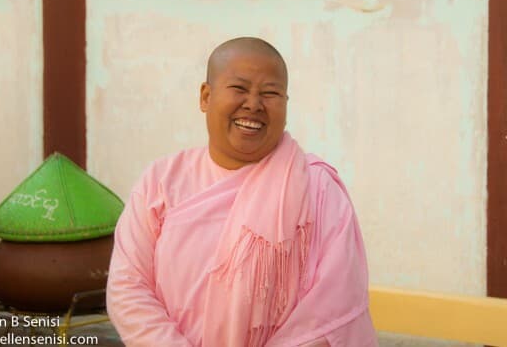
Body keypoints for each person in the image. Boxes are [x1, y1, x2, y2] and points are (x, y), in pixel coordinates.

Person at [106, 37, 378, 347]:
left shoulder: (317, 188)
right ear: (206, 97)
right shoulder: (160, 181)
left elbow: (335, 305)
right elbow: (128, 287)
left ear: (286, 103)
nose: (253, 104)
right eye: (239, 88)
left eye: (270, 93)